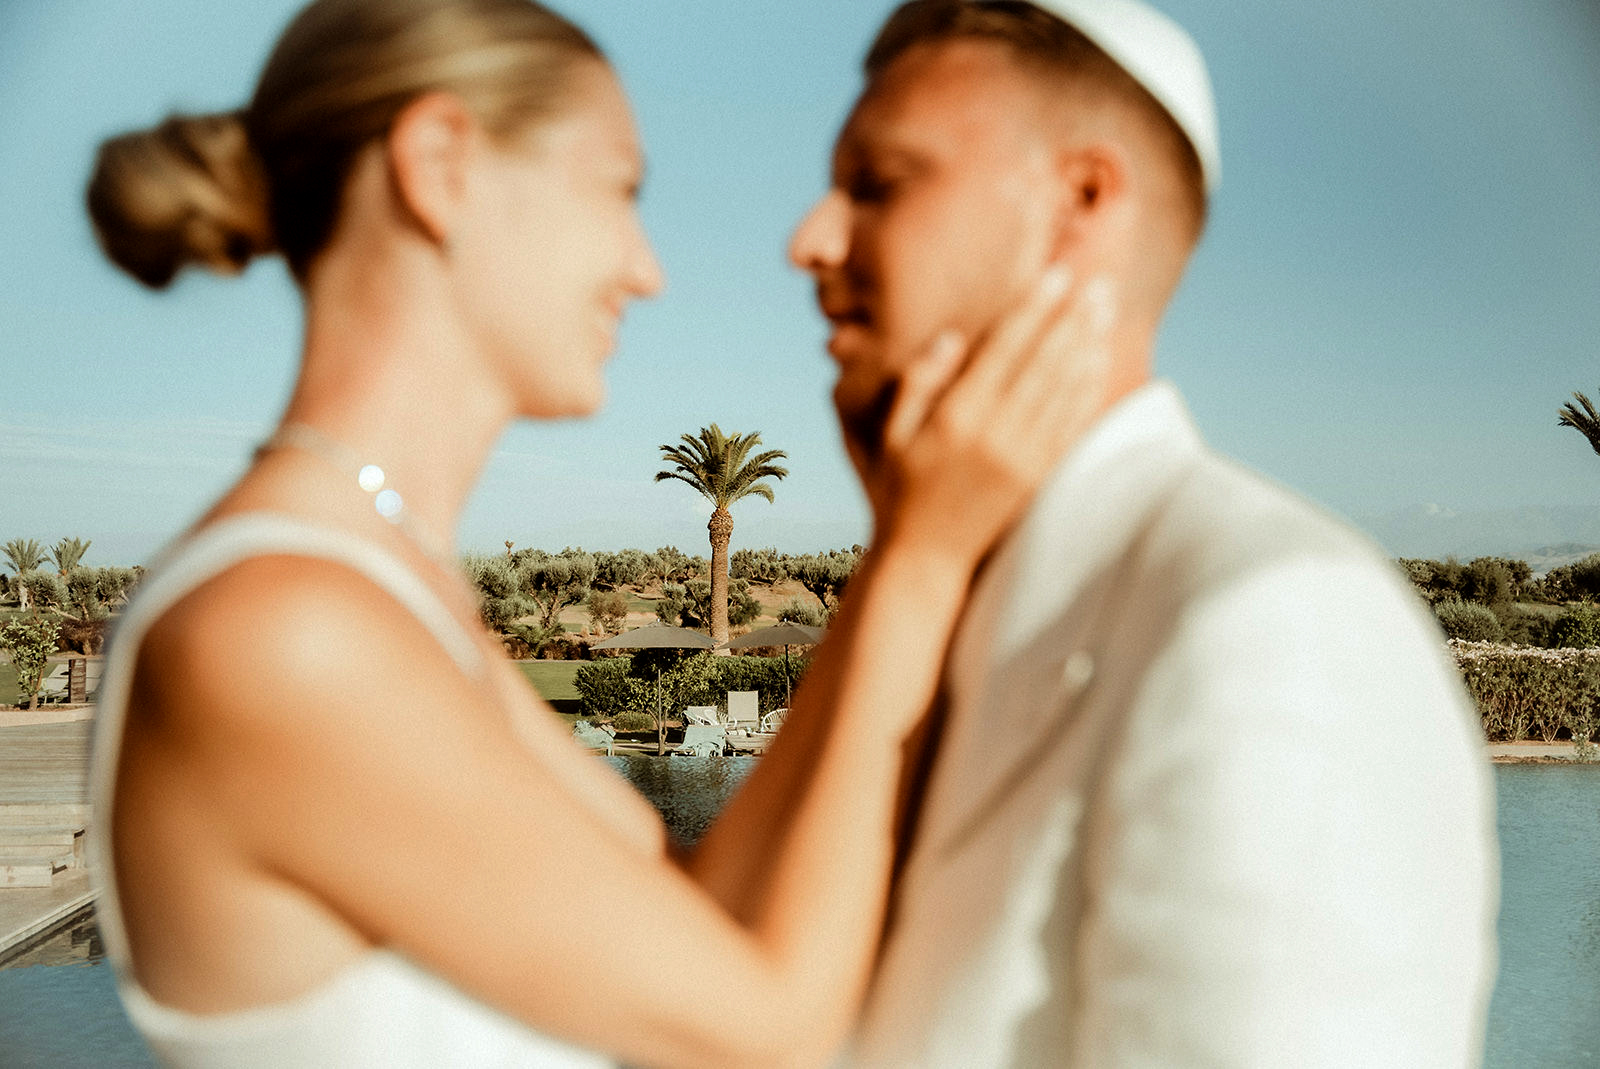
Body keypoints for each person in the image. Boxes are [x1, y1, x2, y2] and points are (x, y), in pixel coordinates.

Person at [82, 0, 1112, 1065]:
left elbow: (706, 914)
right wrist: (922, 559)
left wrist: (902, 521)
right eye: (619, 192)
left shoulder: (393, 595)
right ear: (441, 167)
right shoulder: (285, 633)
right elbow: (771, 1035)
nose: (646, 267)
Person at [788, 1, 1500, 1065]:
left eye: (879, 185)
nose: (809, 241)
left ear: (1082, 200)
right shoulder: (919, 598)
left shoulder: (1268, 617)